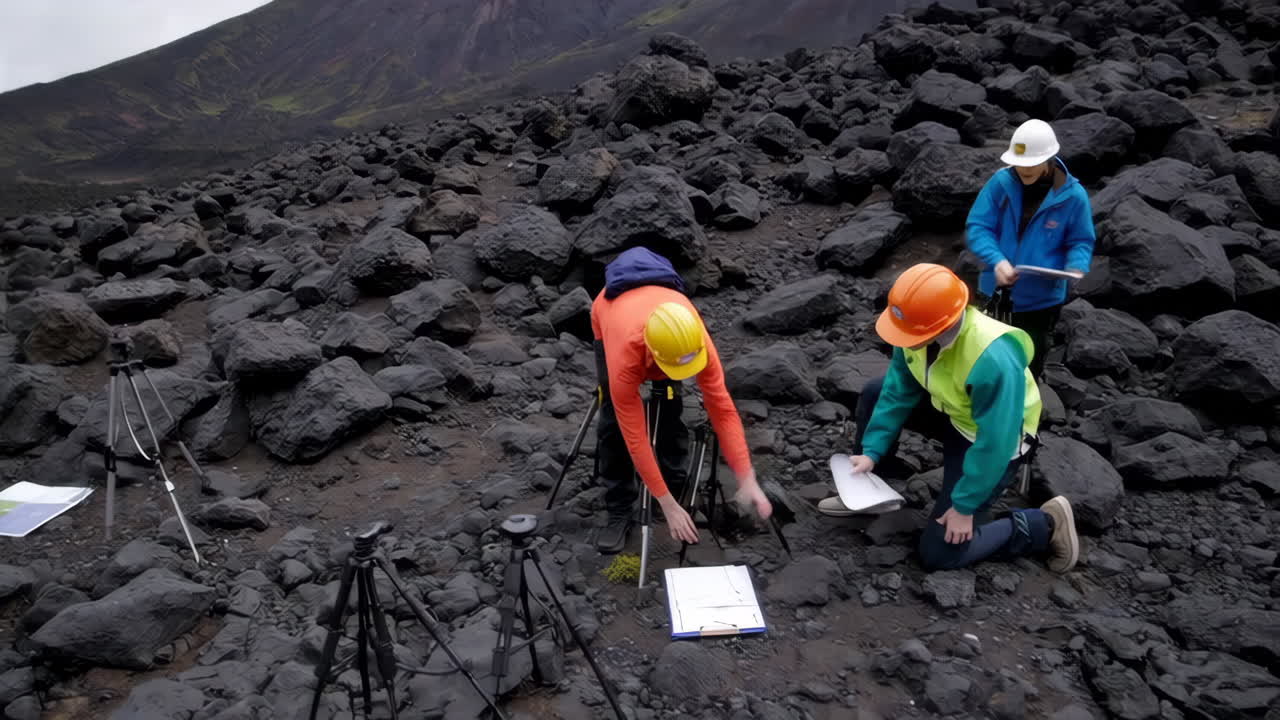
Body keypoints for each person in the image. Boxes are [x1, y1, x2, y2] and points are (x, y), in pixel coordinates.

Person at [818, 263, 1079, 573]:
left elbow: (996, 441)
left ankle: (1043, 524)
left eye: (909, 332)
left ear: (939, 325)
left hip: (992, 441)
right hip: (954, 412)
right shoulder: (915, 332)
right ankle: (872, 490)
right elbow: (896, 389)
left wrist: (964, 506)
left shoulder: (992, 359)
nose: (900, 339)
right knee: (875, 391)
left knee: (940, 553)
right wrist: (871, 452)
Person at [591, 247, 772, 553]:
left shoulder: (695, 338)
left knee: (671, 402)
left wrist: (746, 475)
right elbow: (635, 435)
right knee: (615, 421)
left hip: (669, 336)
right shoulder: (625, 356)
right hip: (612, 315)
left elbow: (723, 410)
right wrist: (664, 502)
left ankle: (676, 482)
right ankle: (620, 505)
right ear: (652, 353)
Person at [966, 119, 1096, 379]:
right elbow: (978, 227)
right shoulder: (1000, 184)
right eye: (1019, 163)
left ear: (1049, 159)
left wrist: (1076, 266)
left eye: (1031, 163)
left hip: (1041, 302)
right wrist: (998, 261)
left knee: (1029, 364)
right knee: (984, 359)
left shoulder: (1073, 196)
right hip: (994, 292)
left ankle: (1025, 414)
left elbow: (1081, 240)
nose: (1023, 169)